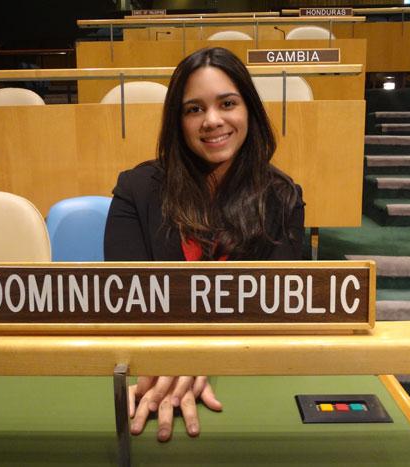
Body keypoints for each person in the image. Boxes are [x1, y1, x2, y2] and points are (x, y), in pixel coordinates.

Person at [104, 47, 305, 442]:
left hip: (244, 377)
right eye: (194, 109)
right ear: (177, 122)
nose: (212, 121)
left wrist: (196, 359)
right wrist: (177, 360)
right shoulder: (136, 189)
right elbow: (127, 301)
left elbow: (278, 308)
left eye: (227, 103)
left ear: (248, 109)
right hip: (153, 369)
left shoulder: (282, 197)